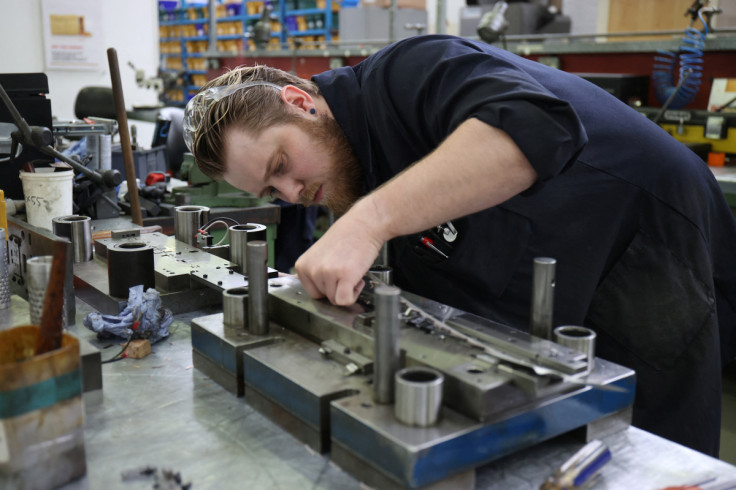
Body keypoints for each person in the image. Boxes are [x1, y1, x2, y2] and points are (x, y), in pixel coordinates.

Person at [183, 34, 736, 456]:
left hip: (647, 244)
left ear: (300, 101)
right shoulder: (356, 160)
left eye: (281, 166)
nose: (292, 193)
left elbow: (535, 128)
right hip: (552, 282)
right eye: (269, 190)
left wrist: (366, 223)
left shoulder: (409, 70)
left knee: (648, 446)